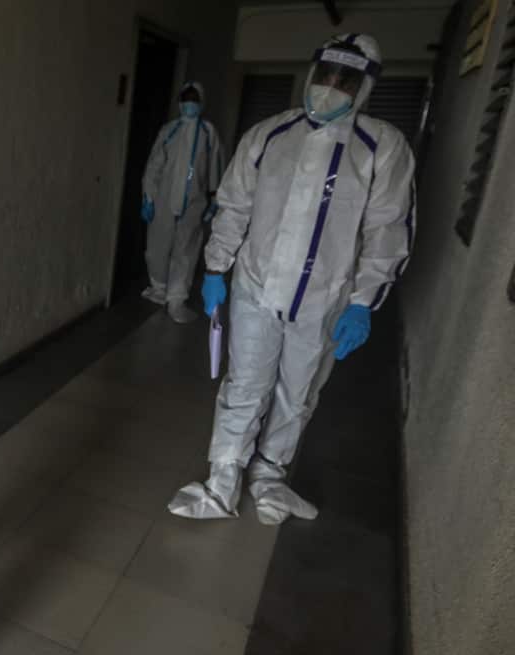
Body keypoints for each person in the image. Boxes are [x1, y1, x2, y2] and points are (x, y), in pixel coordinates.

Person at [168, 33, 415, 525]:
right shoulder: (268, 135)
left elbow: (387, 228)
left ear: (364, 88)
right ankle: (222, 481)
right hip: (255, 288)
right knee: (244, 384)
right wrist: (216, 267)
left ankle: (269, 476)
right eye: (325, 74)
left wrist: (364, 301)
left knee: (298, 391)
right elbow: (234, 205)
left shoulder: (381, 148)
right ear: (312, 72)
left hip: (326, 299)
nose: (330, 87)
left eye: (345, 80)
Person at [141, 81, 224, 324]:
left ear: (201, 102)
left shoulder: (209, 133)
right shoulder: (169, 130)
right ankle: (158, 288)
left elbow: (215, 167)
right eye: (186, 98)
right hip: (164, 199)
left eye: (194, 99)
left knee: (185, 250)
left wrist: (214, 199)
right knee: (157, 246)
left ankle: (176, 298)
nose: (189, 103)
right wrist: (148, 197)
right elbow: (154, 166)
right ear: (179, 102)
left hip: (195, 202)